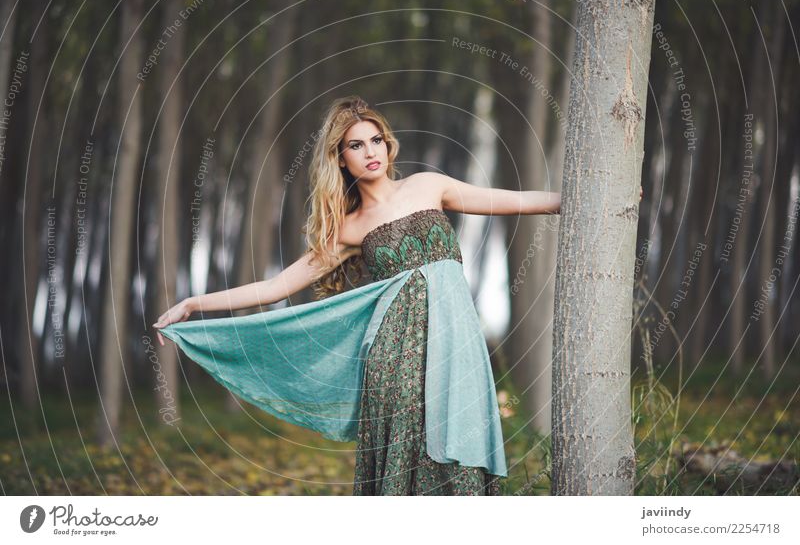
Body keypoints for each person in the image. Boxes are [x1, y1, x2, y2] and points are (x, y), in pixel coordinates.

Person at [154, 95, 625, 495]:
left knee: (460, 452)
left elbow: (516, 200)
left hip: (456, 346)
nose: (370, 151)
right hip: (394, 358)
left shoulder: (428, 186)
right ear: (341, 158)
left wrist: (596, 197)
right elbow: (273, 288)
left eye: (375, 140)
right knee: (410, 460)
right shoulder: (348, 228)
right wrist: (195, 304)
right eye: (356, 145)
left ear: (387, 143)